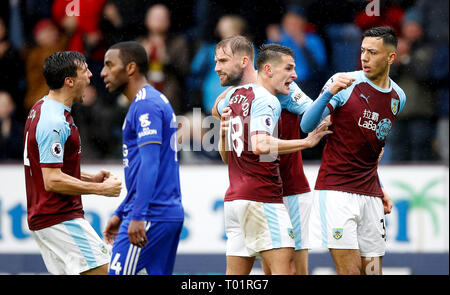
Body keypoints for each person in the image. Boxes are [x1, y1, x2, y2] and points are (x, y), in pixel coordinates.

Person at [214, 37, 331, 275]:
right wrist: (223, 114)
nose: (294, 75)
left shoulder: (289, 92)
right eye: (289, 68)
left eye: (223, 61)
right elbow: (219, 108)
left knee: (294, 269)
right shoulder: (245, 94)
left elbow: (318, 117)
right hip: (263, 192)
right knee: (277, 268)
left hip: (290, 189)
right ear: (267, 69)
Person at [301, 26, 403, 275]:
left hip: (370, 195)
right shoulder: (344, 82)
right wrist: (329, 92)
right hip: (336, 192)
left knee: (372, 272)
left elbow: (372, 148)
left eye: (372, 52)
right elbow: (306, 124)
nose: (364, 57)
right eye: (362, 50)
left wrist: (379, 187)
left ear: (391, 57)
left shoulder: (398, 96)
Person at [23, 51, 122, 275]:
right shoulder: (54, 121)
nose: (89, 75)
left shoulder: (42, 107)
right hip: (59, 218)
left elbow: (51, 166)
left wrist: (90, 176)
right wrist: (101, 189)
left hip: (49, 219)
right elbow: (52, 180)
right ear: (69, 81)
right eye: (84, 70)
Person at [101, 41, 184, 275]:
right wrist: (121, 211)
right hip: (160, 212)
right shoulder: (148, 100)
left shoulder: (146, 105)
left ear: (130, 68)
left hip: (151, 215)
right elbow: (144, 168)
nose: (103, 72)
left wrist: (137, 215)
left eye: (109, 65)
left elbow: (150, 163)